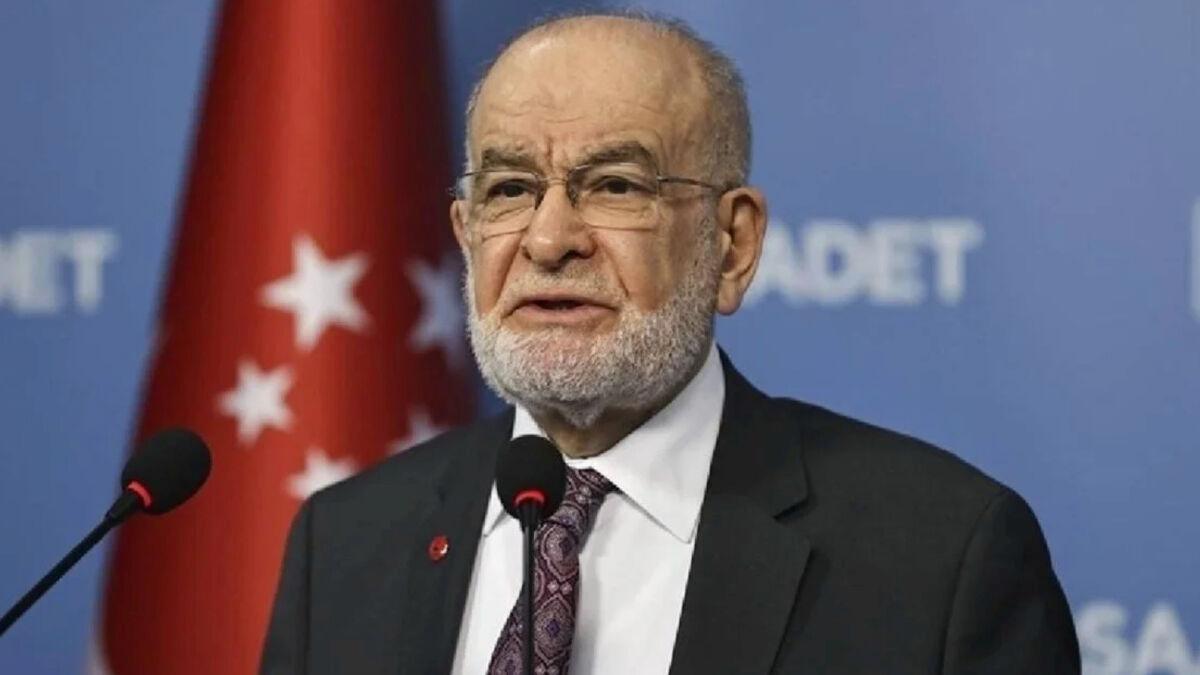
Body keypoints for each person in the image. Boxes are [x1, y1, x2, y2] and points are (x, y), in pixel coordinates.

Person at [261, 11, 1080, 674]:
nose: (548, 239)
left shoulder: (940, 558)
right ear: (467, 233)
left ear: (733, 244)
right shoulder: (345, 544)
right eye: (510, 189)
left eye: (615, 185)